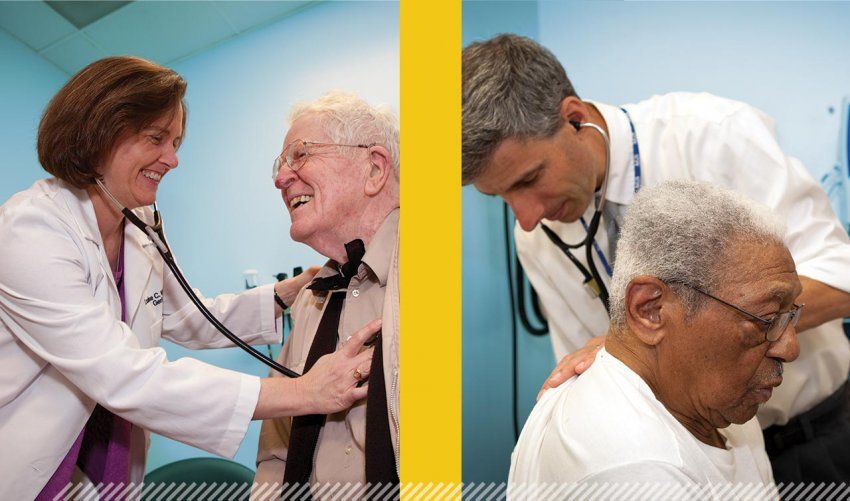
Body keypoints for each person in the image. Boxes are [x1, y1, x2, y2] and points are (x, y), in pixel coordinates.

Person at [463, 34, 850, 481]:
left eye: (530, 179)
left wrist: (720, 328)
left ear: (573, 118)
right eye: (502, 197)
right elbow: (591, 363)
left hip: (814, 436)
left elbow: (841, 274)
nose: (526, 218)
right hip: (690, 458)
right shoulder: (536, 239)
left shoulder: (712, 135)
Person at [0, 57, 377, 500]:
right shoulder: (29, 230)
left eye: (176, 141)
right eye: (156, 139)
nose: (173, 159)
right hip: (29, 467)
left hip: (102, 467)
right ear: (97, 131)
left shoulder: (139, 225)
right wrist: (303, 392)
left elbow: (191, 316)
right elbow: (124, 375)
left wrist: (281, 295)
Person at [509, 181, 800, 493]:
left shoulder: (716, 401)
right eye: (767, 319)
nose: (791, 347)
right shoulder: (635, 468)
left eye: (790, 314)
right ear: (650, 310)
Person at [253, 91, 400, 498]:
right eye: (281, 164)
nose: (281, 179)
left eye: (300, 155)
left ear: (374, 168)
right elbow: (275, 454)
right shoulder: (311, 299)